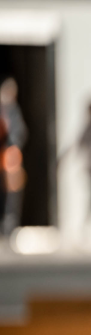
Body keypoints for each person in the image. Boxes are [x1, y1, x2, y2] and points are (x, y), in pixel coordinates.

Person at [0, 78, 27, 234]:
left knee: (13, 195)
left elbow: (20, 133)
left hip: (11, 161)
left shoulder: (14, 112)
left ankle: (10, 224)